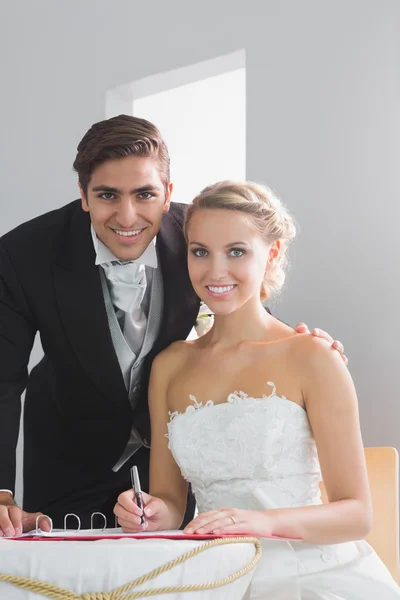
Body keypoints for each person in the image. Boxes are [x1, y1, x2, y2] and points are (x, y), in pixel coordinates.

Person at [0, 116, 344, 538]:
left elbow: (237, 292)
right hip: (68, 448)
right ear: (83, 196)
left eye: (145, 194)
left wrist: (297, 343)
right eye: (107, 195)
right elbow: (2, 377)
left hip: (172, 466)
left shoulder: (199, 235)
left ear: (168, 195)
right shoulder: (23, 255)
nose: (127, 216)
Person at [114, 181, 400, 599]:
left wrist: (262, 522)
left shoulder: (313, 357)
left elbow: (357, 514)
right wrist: (148, 513)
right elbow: (171, 505)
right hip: (212, 574)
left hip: (309, 575)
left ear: (273, 253)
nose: (215, 271)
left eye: (236, 251)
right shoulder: (170, 367)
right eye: (200, 252)